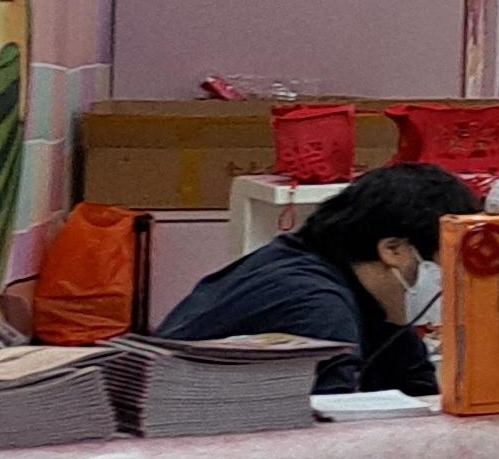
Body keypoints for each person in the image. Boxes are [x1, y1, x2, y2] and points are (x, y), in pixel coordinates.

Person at [148, 163, 482, 395]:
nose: (453, 284)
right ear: (393, 249)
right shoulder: (315, 306)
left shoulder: (369, 292)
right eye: (449, 264)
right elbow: (330, 442)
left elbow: (418, 389)